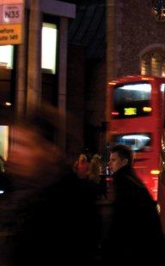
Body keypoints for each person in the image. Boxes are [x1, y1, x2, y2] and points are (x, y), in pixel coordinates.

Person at [2, 111, 101, 266]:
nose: (14, 152)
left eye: (24, 145)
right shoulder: (25, 193)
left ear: (50, 150)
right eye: (14, 143)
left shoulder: (70, 204)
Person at [102, 144, 165, 266]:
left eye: (113, 160)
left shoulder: (123, 181)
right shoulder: (131, 178)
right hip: (152, 251)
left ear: (124, 162)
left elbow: (121, 217)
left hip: (144, 251)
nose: (109, 163)